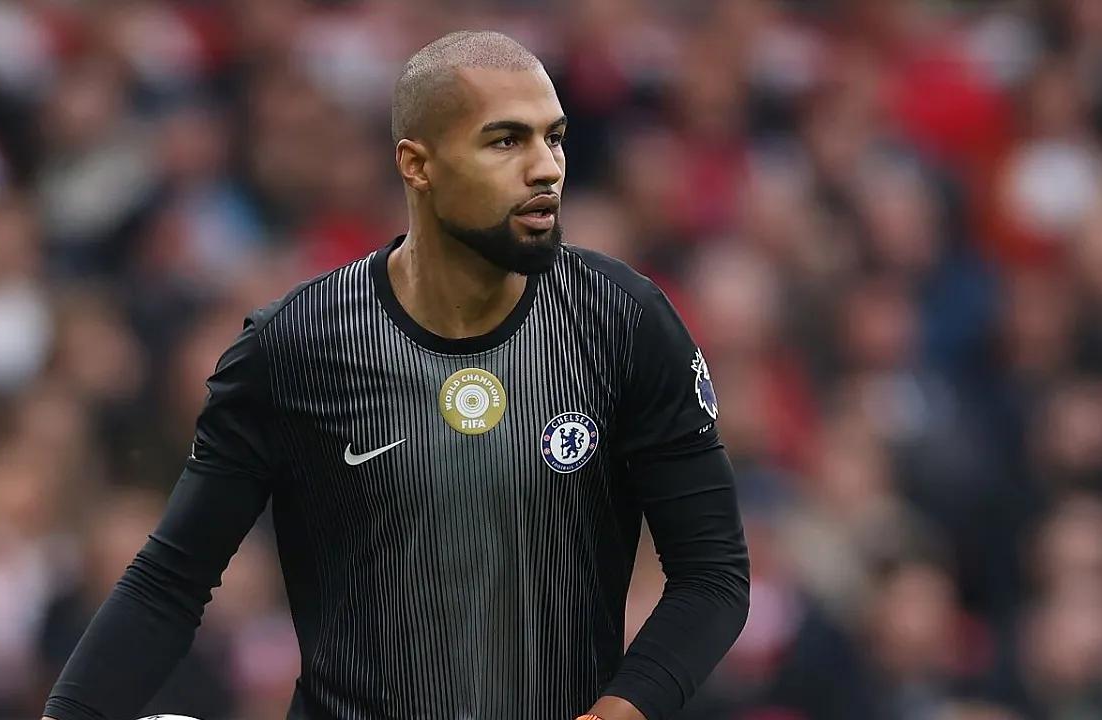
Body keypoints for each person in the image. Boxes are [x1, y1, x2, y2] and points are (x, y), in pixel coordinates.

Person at [42, 30, 750, 720]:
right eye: (507, 140)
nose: (546, 168)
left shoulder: (624, 323)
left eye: (554, 137)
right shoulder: (296, 346)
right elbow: (170, 583)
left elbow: (712, 576)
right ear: (418, 164)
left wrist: (617, 713)